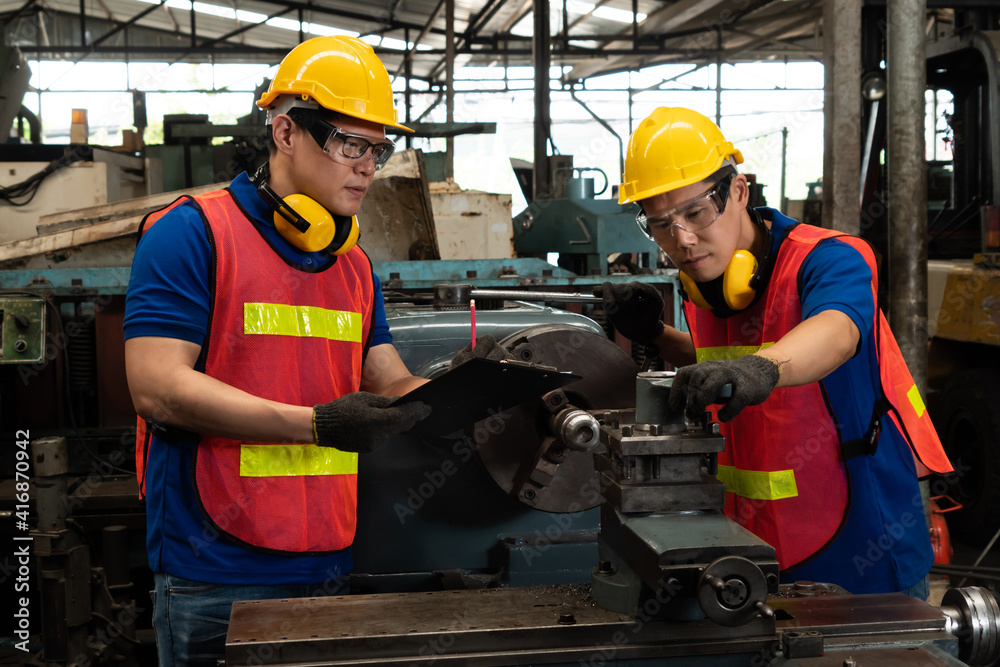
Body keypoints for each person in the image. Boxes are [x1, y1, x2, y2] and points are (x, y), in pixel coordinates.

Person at [124, 36, 440, 666]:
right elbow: (157, 386)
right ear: (286, 131)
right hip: (215, 568)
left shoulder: (352, 265)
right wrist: (317, 424)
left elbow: (388, 381)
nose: (368, 166)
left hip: (327, 558)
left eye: (378, 148)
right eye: (351, 143)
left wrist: (485, 393)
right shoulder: (192, 233)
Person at [595, 106, 954, 597]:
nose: (682, 239)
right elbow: (717, 368)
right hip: (755, 539)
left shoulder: (829, 258)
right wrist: (655, 334)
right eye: (660, 225)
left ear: (738, 191)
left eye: (696, 212)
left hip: (859, 535)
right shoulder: (704, 283)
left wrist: (763, 367)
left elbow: (836, 332)